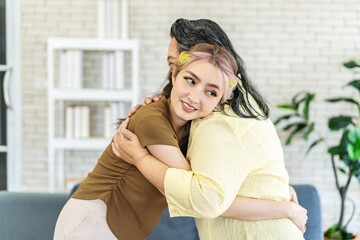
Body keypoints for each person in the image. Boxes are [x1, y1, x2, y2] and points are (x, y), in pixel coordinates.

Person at [54, 43, 303, 240]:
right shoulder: (152, 120)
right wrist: (284, 210)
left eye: (211, 92)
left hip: (116, 227)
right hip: (94, 221)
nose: (194, 96)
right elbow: (199, 198)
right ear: (174, 75)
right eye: (190, 80)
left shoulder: (193, 129)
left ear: (220, 103)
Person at [111, 18, 306, 239]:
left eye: (175, 64)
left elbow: (203, 197)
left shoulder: (217, 120)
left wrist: (139, 157)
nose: (170, 74)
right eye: (171, 66)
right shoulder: (242, 104)